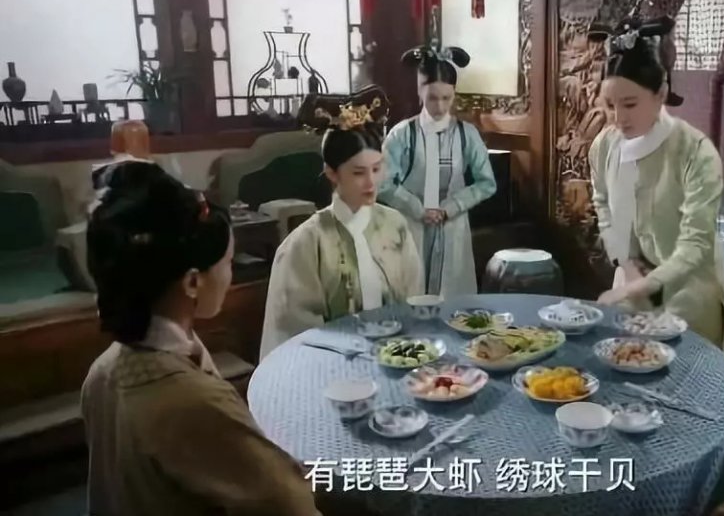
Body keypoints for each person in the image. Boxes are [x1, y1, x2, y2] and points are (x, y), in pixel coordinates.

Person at [81, 161, 319, 516]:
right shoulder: (192, 403)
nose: (230, 276)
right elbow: (291, 505)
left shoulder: (102, 371)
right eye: (228, 263)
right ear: (193, 282)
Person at [588, 14, 724, 350]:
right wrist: (624, 262)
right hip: (631, 281)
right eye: (610, 105)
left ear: (661, 93)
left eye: (630, 104)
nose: (618, 118)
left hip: (690, 288)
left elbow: (696, 245)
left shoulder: (695, 152)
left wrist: (643, 285)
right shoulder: (604, 147)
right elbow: (602, 203)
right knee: (623, 364)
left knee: (682, 369)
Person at [260, 102, 423, 359]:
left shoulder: (396, 226)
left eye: (376, 169)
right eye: (359, 173)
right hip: (332, 367)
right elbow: (296, 333)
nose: (371, 182)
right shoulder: (306, 243)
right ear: (332, 173)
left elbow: (413, 302)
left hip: (396, 359)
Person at [378, 42, 497, 297]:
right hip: (411, 225)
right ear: (419, 91)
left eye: (447, 98)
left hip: (453, 227)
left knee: (453, 295)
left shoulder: (467, 134)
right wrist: (417, 208)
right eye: (433, 98)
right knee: (410, 291)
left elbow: (487, 183)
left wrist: (451, 207)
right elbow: (383, 183)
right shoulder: (402, 134)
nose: (440, 106)